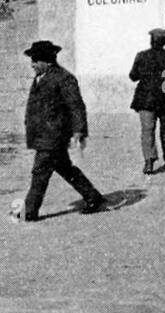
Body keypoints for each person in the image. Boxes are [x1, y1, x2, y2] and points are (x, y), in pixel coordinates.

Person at [21, 40, 106, 221]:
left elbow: (76, 106)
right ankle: (93, 196)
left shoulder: (64, 78)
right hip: (43, 134)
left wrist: (79, 131)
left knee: (40, 172)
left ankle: (29, 212)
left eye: (35, 60)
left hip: (53, 135)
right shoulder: (39, 78)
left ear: (47, 61)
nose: (32, 64)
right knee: (65, 168)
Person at [129, 28, 165, 174]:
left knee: (147, 131)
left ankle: (149, 162)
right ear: (164, 42)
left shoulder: (141, 56)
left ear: (151, 41)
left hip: (145, 100)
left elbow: (133, 76)